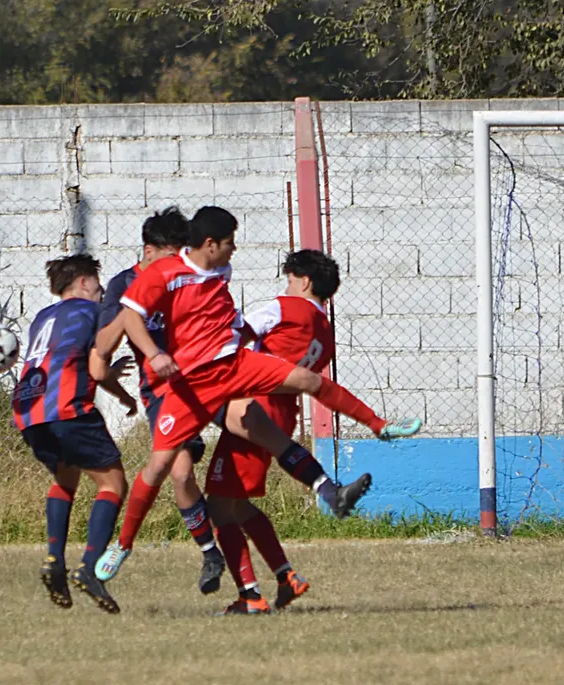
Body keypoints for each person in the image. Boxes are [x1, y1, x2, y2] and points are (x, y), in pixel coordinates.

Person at [93, 207, 422, 585]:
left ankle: (375, 431)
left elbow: (220, 313)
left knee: (305, 382)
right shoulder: (163, 274)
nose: (235, 250)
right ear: (210, 244)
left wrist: (236, 334)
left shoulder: (220, 269)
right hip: (187, 385)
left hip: (232, 365)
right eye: (230, 243)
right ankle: (122, 544)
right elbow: (131, 318)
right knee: (161, 467)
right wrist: (155, 353)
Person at [205, 249, 343, 615]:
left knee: (219, 505)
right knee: (237, 504)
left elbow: (237, 332)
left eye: (290, 279)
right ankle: (285, 577)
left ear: (304, 281)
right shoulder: (325, 332)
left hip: (255, 406)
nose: (287, 285)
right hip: (284, 411)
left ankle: (250, 596)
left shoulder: (286, 308)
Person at [94, 207, 224, 594]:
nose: (175, 265)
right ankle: (209, 553)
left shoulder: (188, 277)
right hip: (162, 391)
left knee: (254, 424)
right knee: (179, 473)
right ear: (148, 251)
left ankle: (321, 487)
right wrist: (131, 307)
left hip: (206, 379)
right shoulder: (123, 285)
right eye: (169, 257)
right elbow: (102, 347)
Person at [12, 253, 138, 614]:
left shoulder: (42, 318)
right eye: (97, 284)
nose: (101, 291)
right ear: (83, 282)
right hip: (66, 405)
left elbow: (68, 356)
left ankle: (54, 558)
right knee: (113, 483)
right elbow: (96, 371)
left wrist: (110, 377)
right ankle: (91, 567)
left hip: (28, 410)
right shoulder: (91, 312)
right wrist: (125, 394)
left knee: (66, 477)